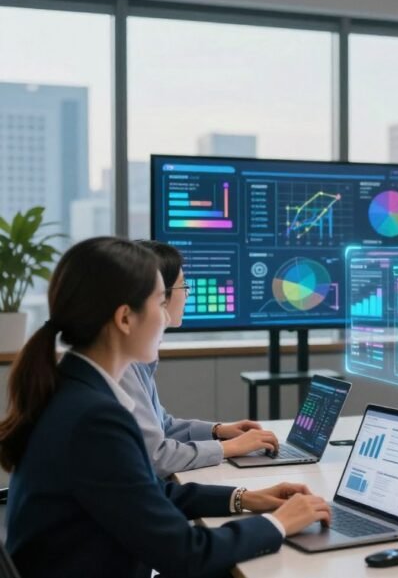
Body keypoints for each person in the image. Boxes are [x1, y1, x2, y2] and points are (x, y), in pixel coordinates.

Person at [0, 237, 331, 578]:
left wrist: (247, 498)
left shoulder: (73, 389)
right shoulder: (94, 418)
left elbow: (149, 492)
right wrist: (278, 524)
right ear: (125, 319)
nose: (166, 314)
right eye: (161, 302)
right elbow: (186, 553)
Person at [124, 240, 278, 477]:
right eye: (182, 286)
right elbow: (155, 456)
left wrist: (218, 431)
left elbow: (160, 425)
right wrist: (228, 448)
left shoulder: (137, 359)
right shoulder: (122, 368)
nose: (186, 295)